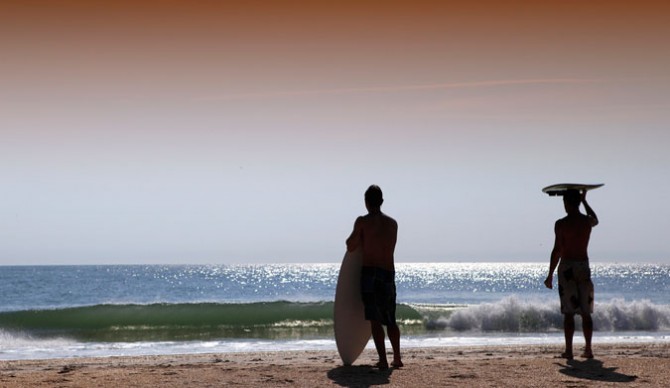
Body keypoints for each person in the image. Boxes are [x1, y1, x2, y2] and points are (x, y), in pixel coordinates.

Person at [346, 185, 403, 370]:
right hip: (388, 273)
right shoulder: (393, 224)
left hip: (370, 273)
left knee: (375, 319)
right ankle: (397, 358)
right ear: (382, 201)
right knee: (391, 319)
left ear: (366, 202)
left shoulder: (363, 221)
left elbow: (350, 246)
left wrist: (359, 235)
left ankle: (383, 361)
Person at [544, 189, 599, 360]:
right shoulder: (586, 222)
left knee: (569, 311)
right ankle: (588, 349)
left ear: (567, 203)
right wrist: (584, 201)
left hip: (567, 267)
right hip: (583, 265)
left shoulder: (561, 224)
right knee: (585, 312)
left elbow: (557, 250)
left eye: (565, 202)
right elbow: (596, 219)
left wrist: (550, 274)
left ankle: (569, 351)